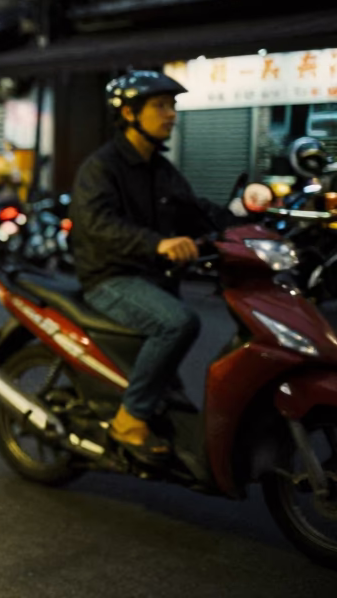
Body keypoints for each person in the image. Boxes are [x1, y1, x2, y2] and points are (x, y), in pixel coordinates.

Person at [69, 70, 228, 461]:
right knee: (177, 322)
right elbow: (98, 225)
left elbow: (195, 211)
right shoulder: (101, 167)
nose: (171, 114)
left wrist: (250, 223)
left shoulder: (161, 169)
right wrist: (159, 244)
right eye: (160, 106)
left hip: (152, 278)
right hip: (111, 277)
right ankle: (130, 417)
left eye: (171, 106)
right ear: (128, 113)